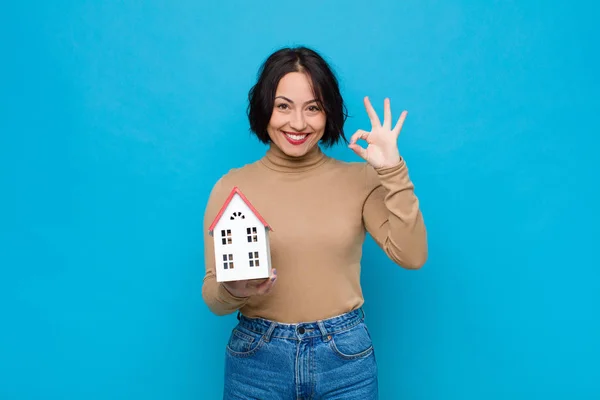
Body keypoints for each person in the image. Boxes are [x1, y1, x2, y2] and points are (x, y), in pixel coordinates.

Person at [202, 46, 427, 399]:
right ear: (265, 109)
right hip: (257, 359)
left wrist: (392, 170)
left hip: (344, 360)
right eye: (283, 106)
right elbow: (213, 298)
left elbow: (411, 255)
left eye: (313, 108)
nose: (298, 123)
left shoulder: (361, 180)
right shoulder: (231, 188)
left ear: (329, 113)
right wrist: (236, 290)